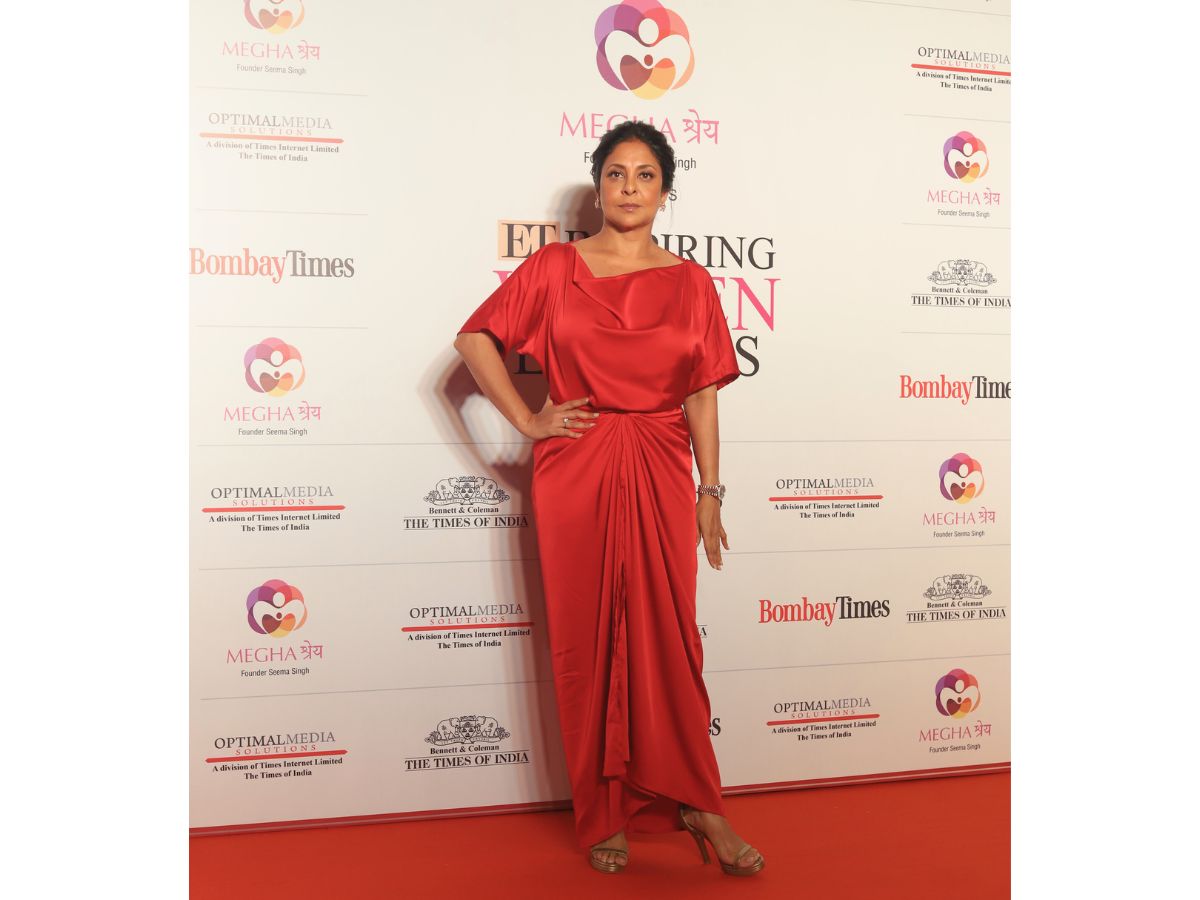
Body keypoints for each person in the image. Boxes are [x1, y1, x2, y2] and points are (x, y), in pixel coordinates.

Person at [453, 121, 764, 877]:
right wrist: (528, 420)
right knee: (587, 640)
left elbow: (702, 394)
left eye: (646, 175)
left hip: (660, 463)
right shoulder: (555, 268)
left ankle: (699, 803)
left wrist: (710, 490)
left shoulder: (692, 282)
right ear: (598, 187)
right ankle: (606, 813)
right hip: (578, 463)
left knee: (670, 639)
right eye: (616, 173)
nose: (630, 187)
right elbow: (473, 341)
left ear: (666, 190)